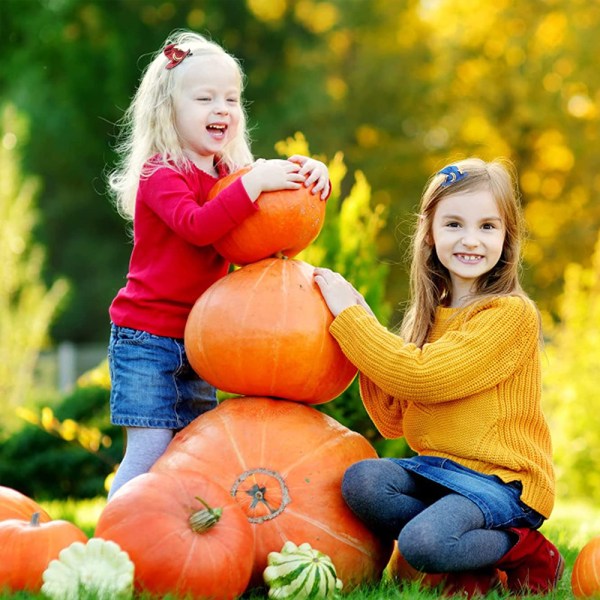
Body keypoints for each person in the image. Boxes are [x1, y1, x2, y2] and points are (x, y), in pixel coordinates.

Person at [314, 157, 563, 596]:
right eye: (454, 224)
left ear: (507, 239)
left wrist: (355, 324)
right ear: (429, 233)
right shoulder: (430, 315)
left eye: (488, 226)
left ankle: (522, 547)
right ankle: (467, 557)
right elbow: (393, 418)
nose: (471, 240)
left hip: (500, 481)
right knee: (363, 482)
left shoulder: (509, 314)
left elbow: (423, 378)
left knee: (422, 544)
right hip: (438, 472)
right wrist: (367, 328)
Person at [106, 30, 330, 500]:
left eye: (231, 98)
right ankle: (114, 540)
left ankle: (169, 552)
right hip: (146, 337)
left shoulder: (227, 177)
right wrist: (254, 187)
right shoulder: (160, 173)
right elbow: (197, 225)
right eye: (205, 98)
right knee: (150, 453)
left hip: (203, 341)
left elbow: (260, 235)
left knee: (193, 455)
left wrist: (309, 175)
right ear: (169, 110)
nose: (222, 108)